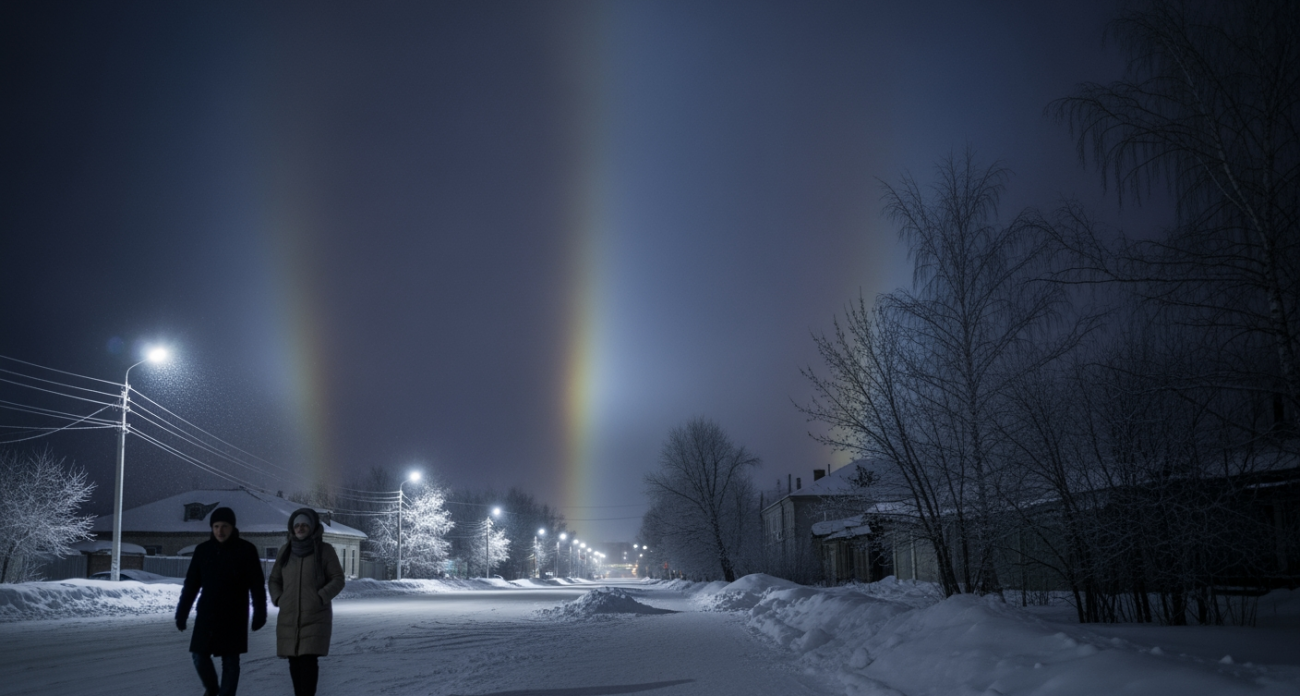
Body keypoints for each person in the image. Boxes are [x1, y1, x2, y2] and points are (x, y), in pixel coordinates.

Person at [175, 506, 268, 696]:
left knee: (230, 662)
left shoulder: (246, 550)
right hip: (207, 614)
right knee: (199, 656)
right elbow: (191, 585)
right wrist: (182, 612)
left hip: (234, 615)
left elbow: (257, 586)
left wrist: (260, 612)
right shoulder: (203, 551)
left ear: (232, 527)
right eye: (216, 526)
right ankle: (212, 689)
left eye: (224, 526)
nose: (220, 531)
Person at [269, 507, 345, 696]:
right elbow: (274, 579)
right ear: (292, 528)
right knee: (294, 661)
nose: (300, 528)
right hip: (289, 615)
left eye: (304, 525)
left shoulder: (324, 550)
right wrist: (279, 598)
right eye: (297, 525)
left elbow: (338, 578)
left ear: (312, 528)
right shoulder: (285, 551)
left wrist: (320, 597)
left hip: (315, 615)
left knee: (308, 660)